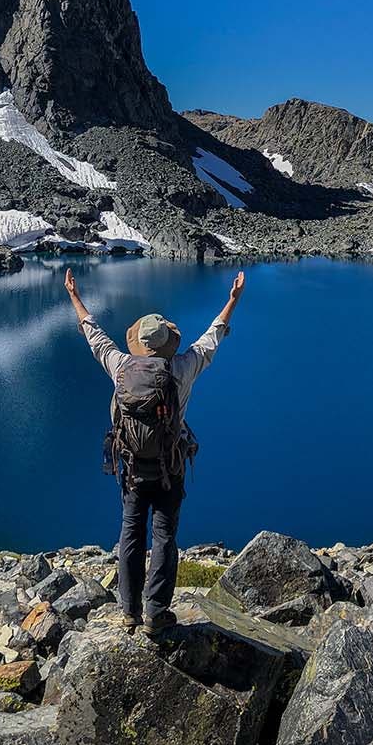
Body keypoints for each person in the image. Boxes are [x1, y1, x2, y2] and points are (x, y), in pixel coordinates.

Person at [63, 266, 244, 633]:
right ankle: (155, 612)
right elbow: (211, 339)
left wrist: (74, 296)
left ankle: (128, 610)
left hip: (131, 468)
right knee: (164, 536)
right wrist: (232, 301)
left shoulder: (121, 366)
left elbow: (94, 337)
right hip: (169, 467)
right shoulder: (181, 368)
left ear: (139, 344)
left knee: (130, 534)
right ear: (166, 344)